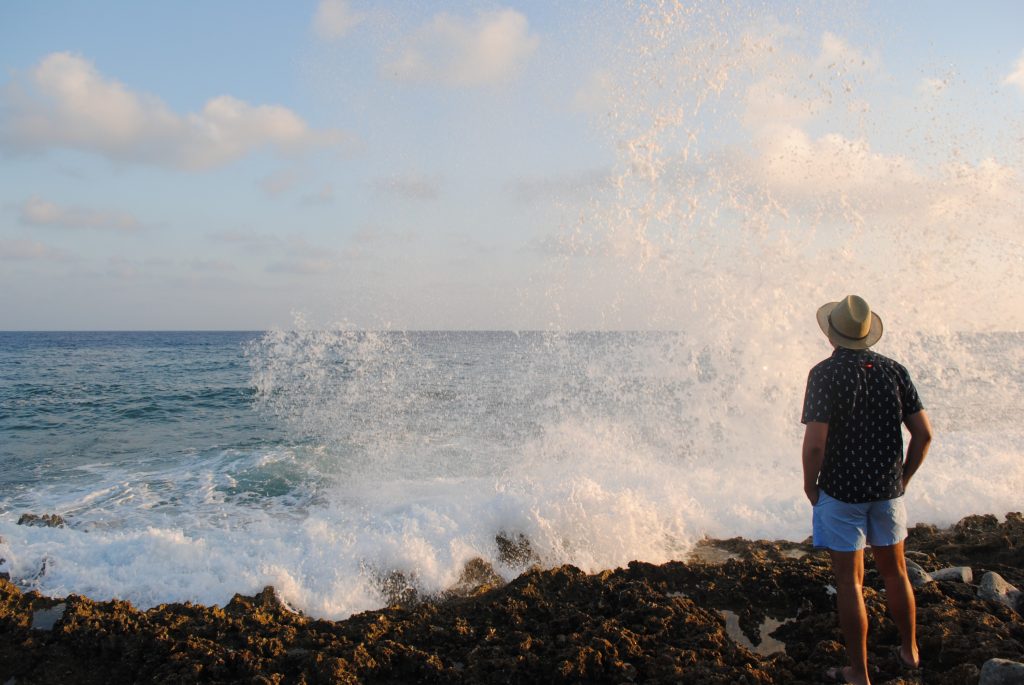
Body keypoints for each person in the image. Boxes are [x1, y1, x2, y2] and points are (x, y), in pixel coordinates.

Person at [801, 295, 933, 685]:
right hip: (887, 492)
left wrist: (811, 485)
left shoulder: (824, 374)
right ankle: (910, 651)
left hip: (841, 493)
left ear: (832, 336)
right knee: (896, 574)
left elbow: (814, 444)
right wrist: (902, 479)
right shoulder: (894, 371)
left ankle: (858, 673)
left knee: (850, 583)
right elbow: (924, 435)